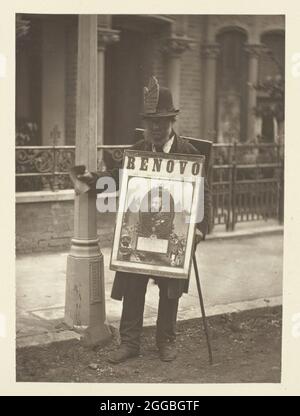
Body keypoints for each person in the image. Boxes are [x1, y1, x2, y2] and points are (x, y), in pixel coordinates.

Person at [76, 76, 211, 363]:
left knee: (169, 289)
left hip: (172, 230)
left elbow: (203, 192)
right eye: (152, 122)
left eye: (162, 122)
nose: (157, 128)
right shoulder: (137, 150)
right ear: (146, 124)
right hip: (141, 231)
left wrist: (200, 227)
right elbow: (116, 179)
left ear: (172, 121)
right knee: (133, 284)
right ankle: (130, 344)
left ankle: (166, 341)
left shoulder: (188, 154)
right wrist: (93, 180)